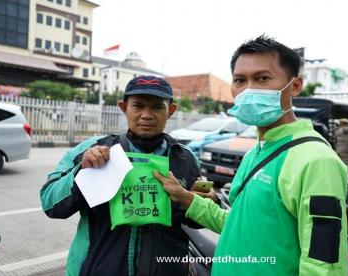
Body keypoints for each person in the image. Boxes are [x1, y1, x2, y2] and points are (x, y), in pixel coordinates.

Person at [155, 35, 348, 275]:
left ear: (295, 86)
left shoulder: (316, 161)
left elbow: (324, 264)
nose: (248, 90)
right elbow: (239, 226)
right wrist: (186, 197)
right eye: (240, 80)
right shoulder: (254, 153)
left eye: (262, 78)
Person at [40, 76, 216, 276]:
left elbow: (194, 221)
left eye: (157, 107)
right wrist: (82, 172)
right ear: (124, 108)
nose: (146, 115)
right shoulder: (92, 151)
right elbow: (50, 204)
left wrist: (208, 201)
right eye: (138, 106)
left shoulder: (185, 158)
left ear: (171, 110)